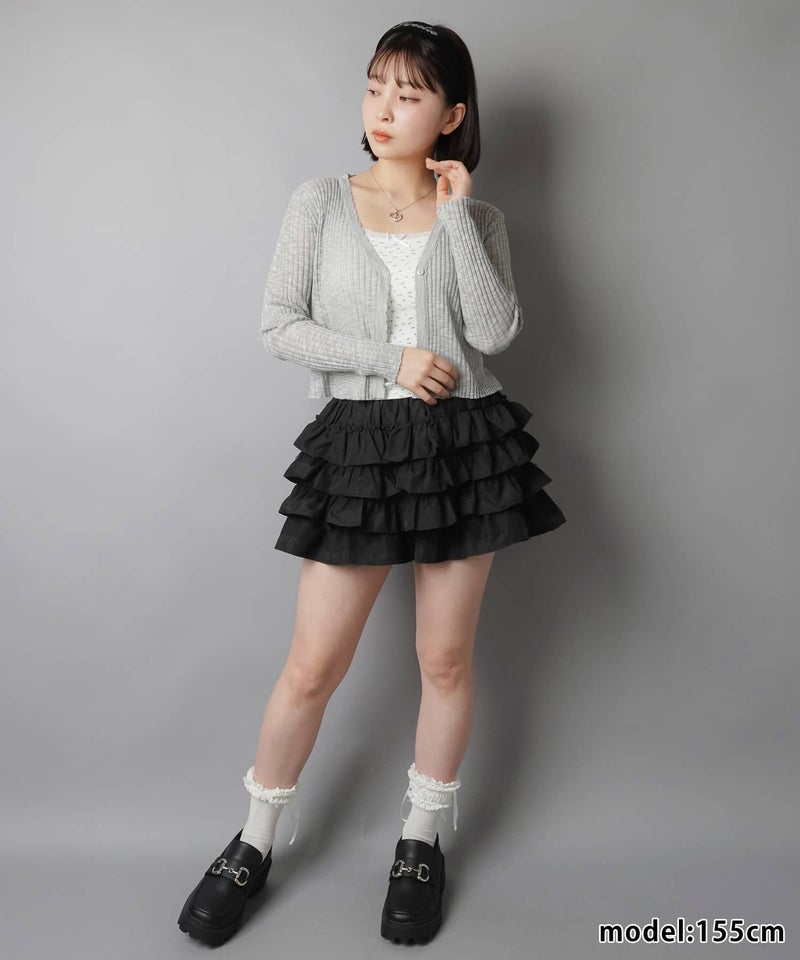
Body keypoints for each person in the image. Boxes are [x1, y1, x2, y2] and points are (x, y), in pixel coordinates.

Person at [178, 19, 566, 948]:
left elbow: (496, 330)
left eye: (410, 94)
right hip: (357, 442)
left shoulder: (481, 217)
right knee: (314, 665)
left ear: (452, 115)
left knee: (445, 661)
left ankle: (420, 840)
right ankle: (255, 841)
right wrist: (392, 360)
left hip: (464, 443)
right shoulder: (320, 202)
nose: (384, 108)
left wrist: (459, 213)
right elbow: (280, 324)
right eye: (375, 87)